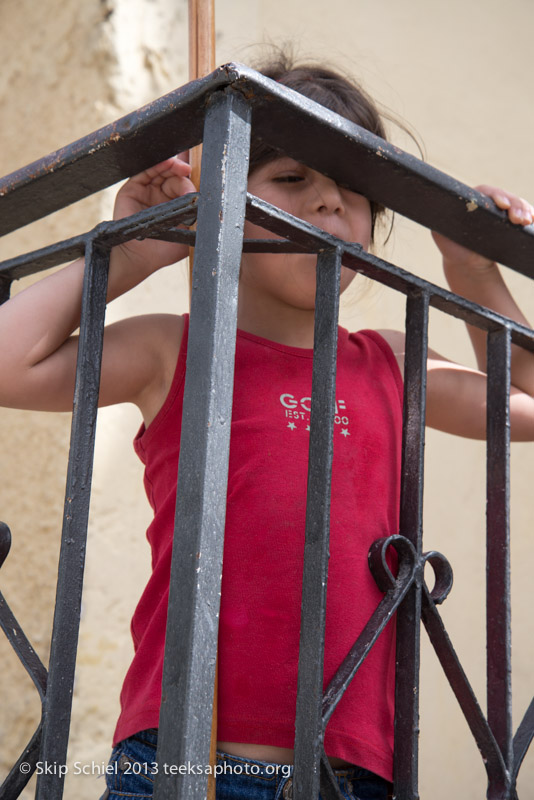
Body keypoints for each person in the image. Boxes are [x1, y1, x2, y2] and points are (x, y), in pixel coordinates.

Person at [1, 55, 534, 800]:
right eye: (292, 181)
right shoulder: (171, 348)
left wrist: (477, 276)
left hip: (350, 774)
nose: (327, 205)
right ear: (222, 204)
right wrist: (129, 254)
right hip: (182, 758)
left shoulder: (394, 362)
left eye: (352, 195)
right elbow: (7, 363)